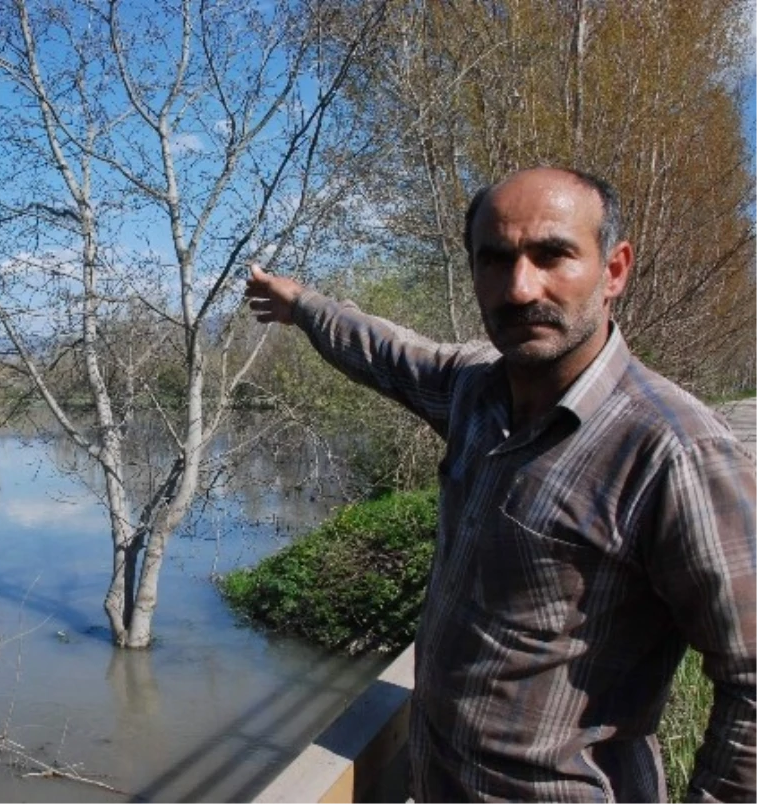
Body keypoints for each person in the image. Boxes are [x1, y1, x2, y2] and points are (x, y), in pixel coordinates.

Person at [245, 166, 757, 802]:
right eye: (496, 260)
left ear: (614, 270)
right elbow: (384, 352)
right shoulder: (474, 391)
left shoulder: (673, 451)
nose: (520, 288)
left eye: (552, 255)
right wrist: (302, 306)